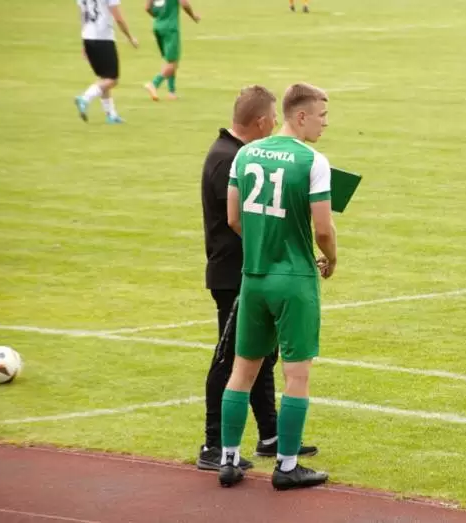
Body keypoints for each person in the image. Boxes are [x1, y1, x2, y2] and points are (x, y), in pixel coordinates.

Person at [218, 83, 336, 491]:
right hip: (294, 279)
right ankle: (287, 466)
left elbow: (233, 218)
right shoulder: (313, 160)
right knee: (296, 375)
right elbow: (323, 229)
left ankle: (228, 460)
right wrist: (331, 258)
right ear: (300, 116)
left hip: (254, 277)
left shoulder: (245, 153)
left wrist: (261, 242)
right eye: (322, 115)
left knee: (242, 370)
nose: (325, 123)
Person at [199, 85, 318, 471]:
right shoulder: (228, 158)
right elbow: (243, 220)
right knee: (231, 360)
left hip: (251, 270)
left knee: (260, 358)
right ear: (263, 121)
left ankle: (270, 434)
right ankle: (213, 444)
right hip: (238, 273)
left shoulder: (238, 155)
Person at [74, 0, 138, 124]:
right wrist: (130, 37)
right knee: (112, 79)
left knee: (104, 77)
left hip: (88, 37)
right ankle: (85, 98)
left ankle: (111, 115)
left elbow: (83, 15)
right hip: (103, 38)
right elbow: (118, 18)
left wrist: (84, 43)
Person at [143, 0, 201, 101]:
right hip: (170, 28)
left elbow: (147, 7)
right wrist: (193, 16)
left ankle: (171, 92)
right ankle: (154, 84)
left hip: (158, 26)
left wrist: (159, 17)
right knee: (172, 63)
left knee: (169, 60)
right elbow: (184, 4)